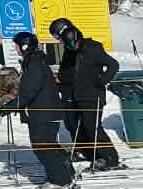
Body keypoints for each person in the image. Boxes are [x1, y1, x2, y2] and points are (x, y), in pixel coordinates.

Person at [50, 19, 121, 170]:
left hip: (92, 95)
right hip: (75, 94)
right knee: (74, 125)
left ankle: (110, 157)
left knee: (92, 127)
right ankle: (87, 153)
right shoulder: (70, 51)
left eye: (58, 37)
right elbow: (71, 73)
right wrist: (60, 78)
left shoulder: (92, 48)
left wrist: (101, 81)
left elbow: (113, 65)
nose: (59, 41)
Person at [10, 31, 75, 189]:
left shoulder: (34, 64)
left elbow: (29, 91)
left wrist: (12, 105)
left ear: (25, 46)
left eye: (17, 46)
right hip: (44, 112)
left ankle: (60, 180)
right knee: (48, 145)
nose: (16, 49)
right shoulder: (34, 62)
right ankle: (66, 173)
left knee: (42, 147)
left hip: (43, 113)